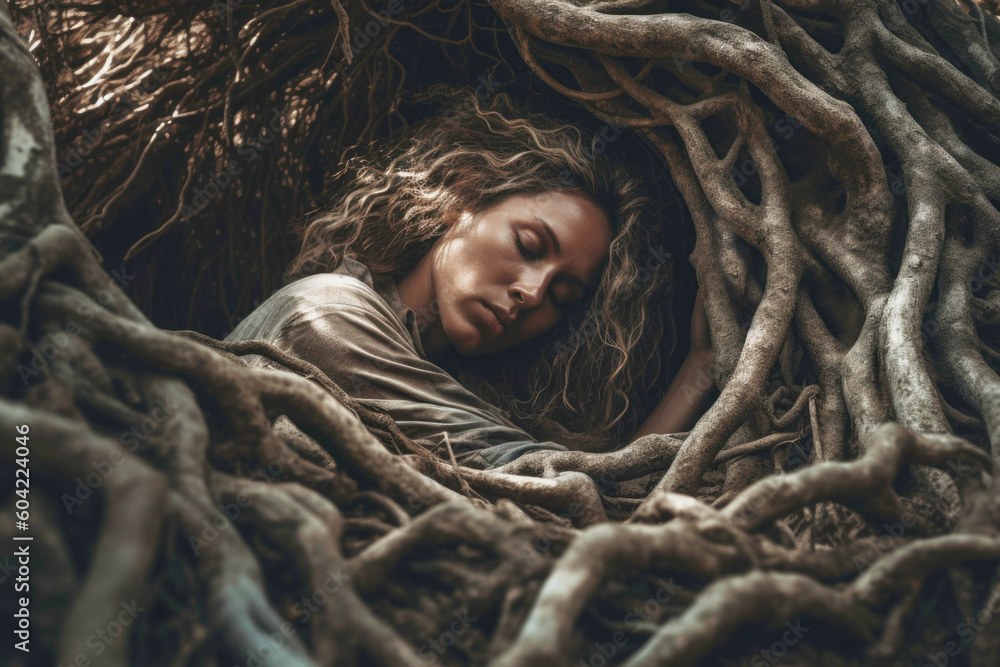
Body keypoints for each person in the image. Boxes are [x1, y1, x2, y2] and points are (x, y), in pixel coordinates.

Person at [225, 88, 716, 469]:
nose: (533, 292)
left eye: (563, 296)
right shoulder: (330, 313)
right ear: (463, 197)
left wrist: (704, 364)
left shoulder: (468, 398)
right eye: (529, 246)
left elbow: (584, 499)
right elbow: (562, 490)